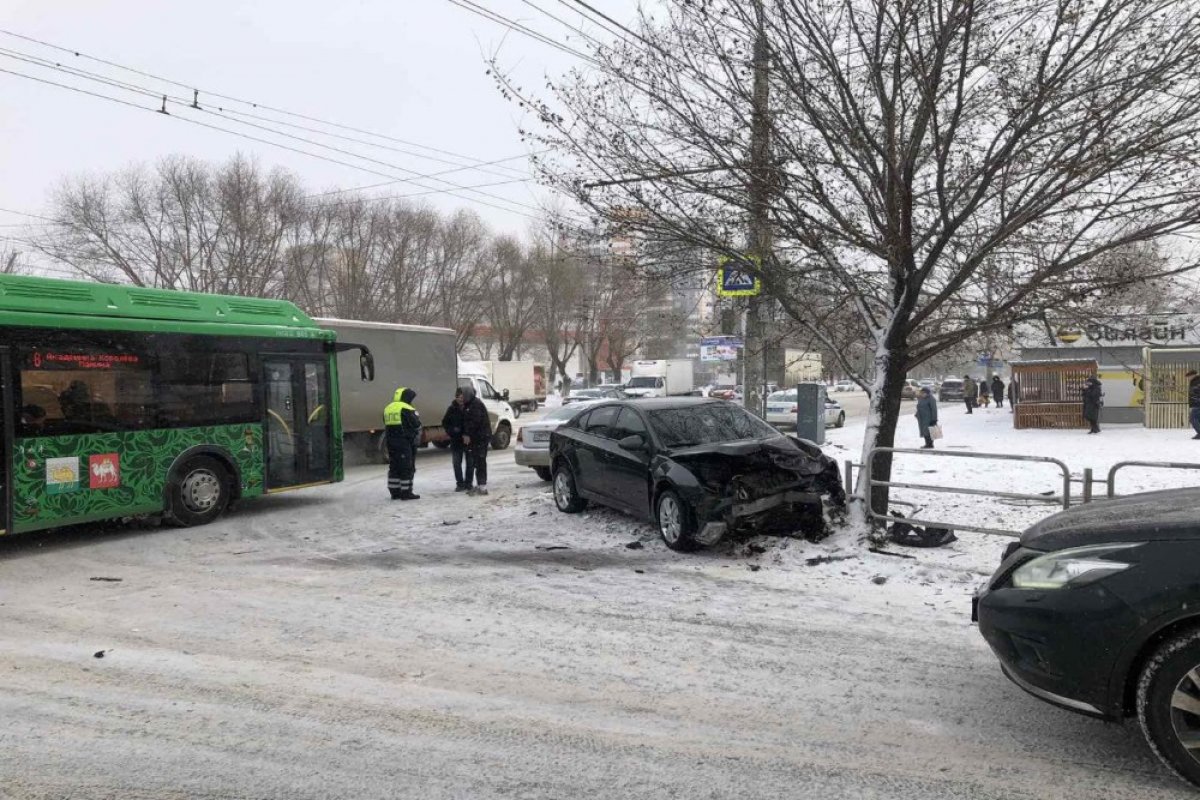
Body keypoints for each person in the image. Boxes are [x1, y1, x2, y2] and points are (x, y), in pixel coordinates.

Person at [383, 386, 422, 500]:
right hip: (404, 442)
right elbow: (415, 424)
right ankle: (406, 492)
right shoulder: (406, 408)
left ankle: (394, 492)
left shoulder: (388, 408)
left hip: (390, 442)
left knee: (394, 466)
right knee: (406, 467)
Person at [461, 385, 493, 496]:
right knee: (476, 461)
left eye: (464, 395)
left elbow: (475, 422)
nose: (462, 397)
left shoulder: (475, 405)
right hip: (476, 439)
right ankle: (480, 485)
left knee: (480, 461)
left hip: (480, 438)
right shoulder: (469, 404)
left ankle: (482, 486)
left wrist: (467, 434)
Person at [441, 388, 469, 491]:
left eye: (462, 397)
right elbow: (445, 422)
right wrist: (452, 431)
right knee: (457, 463)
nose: (461, 399)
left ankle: (468, 483)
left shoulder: (469, 407)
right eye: (459, 397)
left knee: (470, 463)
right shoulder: (451, 409)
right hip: (456, 441)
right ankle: (460, 484)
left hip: (467, 440)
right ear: (456, 398)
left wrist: (468, 433)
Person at [1188, 370, 1200, 440]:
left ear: (1193, 375)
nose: (1188, 378)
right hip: (1196, 403)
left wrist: (1196, 399)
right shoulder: (1194, 382)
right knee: (1197, 419)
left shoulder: (1197, 382)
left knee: (1193, 418)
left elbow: (1196, 393)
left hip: (1197, 403)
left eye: (1189, 376)